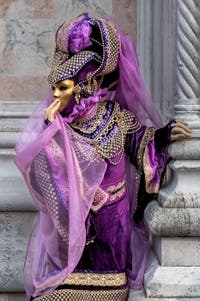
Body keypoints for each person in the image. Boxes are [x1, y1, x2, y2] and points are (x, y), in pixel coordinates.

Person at [15, 13, 191, 301]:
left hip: (110, 237)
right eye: (54, 88)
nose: (55, 96)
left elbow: (141, 145)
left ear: (89, 85)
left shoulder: (118, 119)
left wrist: (164, 136)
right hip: (70, 239)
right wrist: (49, 130)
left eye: (63, 88)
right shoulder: (60, 127)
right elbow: (42, 176)